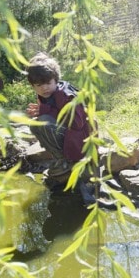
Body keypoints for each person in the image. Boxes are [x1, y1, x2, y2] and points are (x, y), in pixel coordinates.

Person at [25, 52, 91, 187]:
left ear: (56, 79)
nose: (44, 88)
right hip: (71, 137)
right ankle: (60, 159)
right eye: (39, 85)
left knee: (43, 122)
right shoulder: (47, 95)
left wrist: (46, 111)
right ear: (33, 86)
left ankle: (67, 161)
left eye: (48, 83)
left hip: (82, 140)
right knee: (35, 125)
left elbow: (77, 123)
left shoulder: (64, 94)